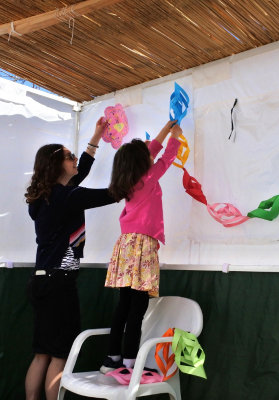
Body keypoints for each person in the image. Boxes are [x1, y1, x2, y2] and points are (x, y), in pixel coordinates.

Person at [24, 117, 116, 400]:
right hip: (58, 285)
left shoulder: (44, 197)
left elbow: (80, 172)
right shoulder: (66, 196)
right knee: (60, 357)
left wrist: (97, 136)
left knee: (42, 354)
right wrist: (135, 175)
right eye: (69, 156)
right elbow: (110, 194)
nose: (75, 159)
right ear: (55, 165)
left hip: (42, 281)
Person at [100, 120, 182, 374]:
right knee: (138, 306)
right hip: (142, 245)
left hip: (125, 245)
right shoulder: (148, 178)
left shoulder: (127, 182)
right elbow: (166, 157)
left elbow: (151, 152)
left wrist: (165, 130)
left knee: (124, 305)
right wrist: (176, 137)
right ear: (141, 163)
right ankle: (130, 362)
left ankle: (112, 358)